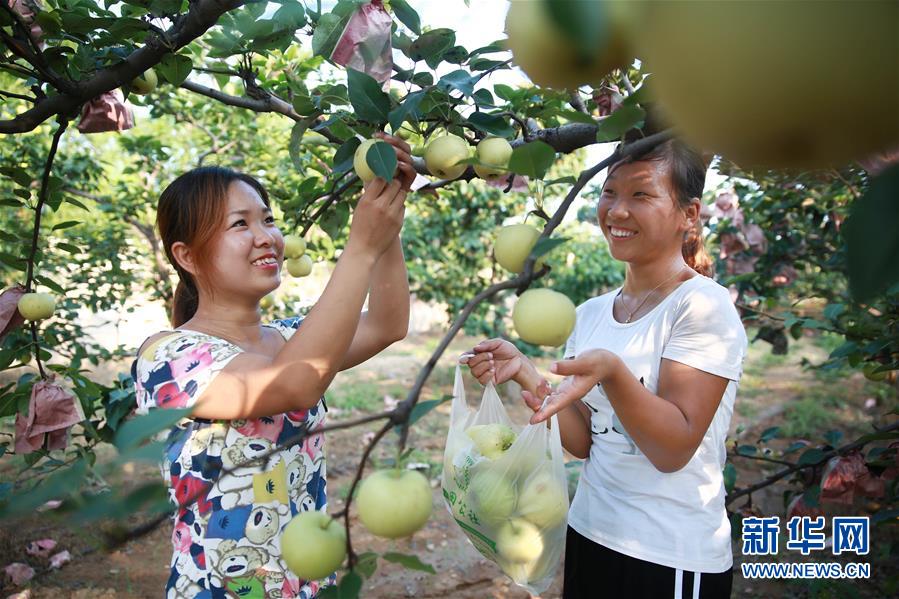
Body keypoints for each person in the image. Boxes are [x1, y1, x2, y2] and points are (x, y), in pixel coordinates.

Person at [131, 133, 416, 598]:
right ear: (186, 256)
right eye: (240, 225)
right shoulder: (168, 359)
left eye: (268, 220)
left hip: (308, 583)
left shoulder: (289, 337)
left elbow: (388, 322)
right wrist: (361, 246)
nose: (267, 237)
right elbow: (296, 383)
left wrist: (388, 218)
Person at [462, 138, 748, 598]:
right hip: (592, 533)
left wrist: (614, 374)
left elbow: (673, 449)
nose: (616, 211)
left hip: (668, 554)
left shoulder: (701, 306)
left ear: (689, 215)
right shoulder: (593, 313)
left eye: (641, 195)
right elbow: (584, 442)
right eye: (610, 192)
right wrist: (527, 375)